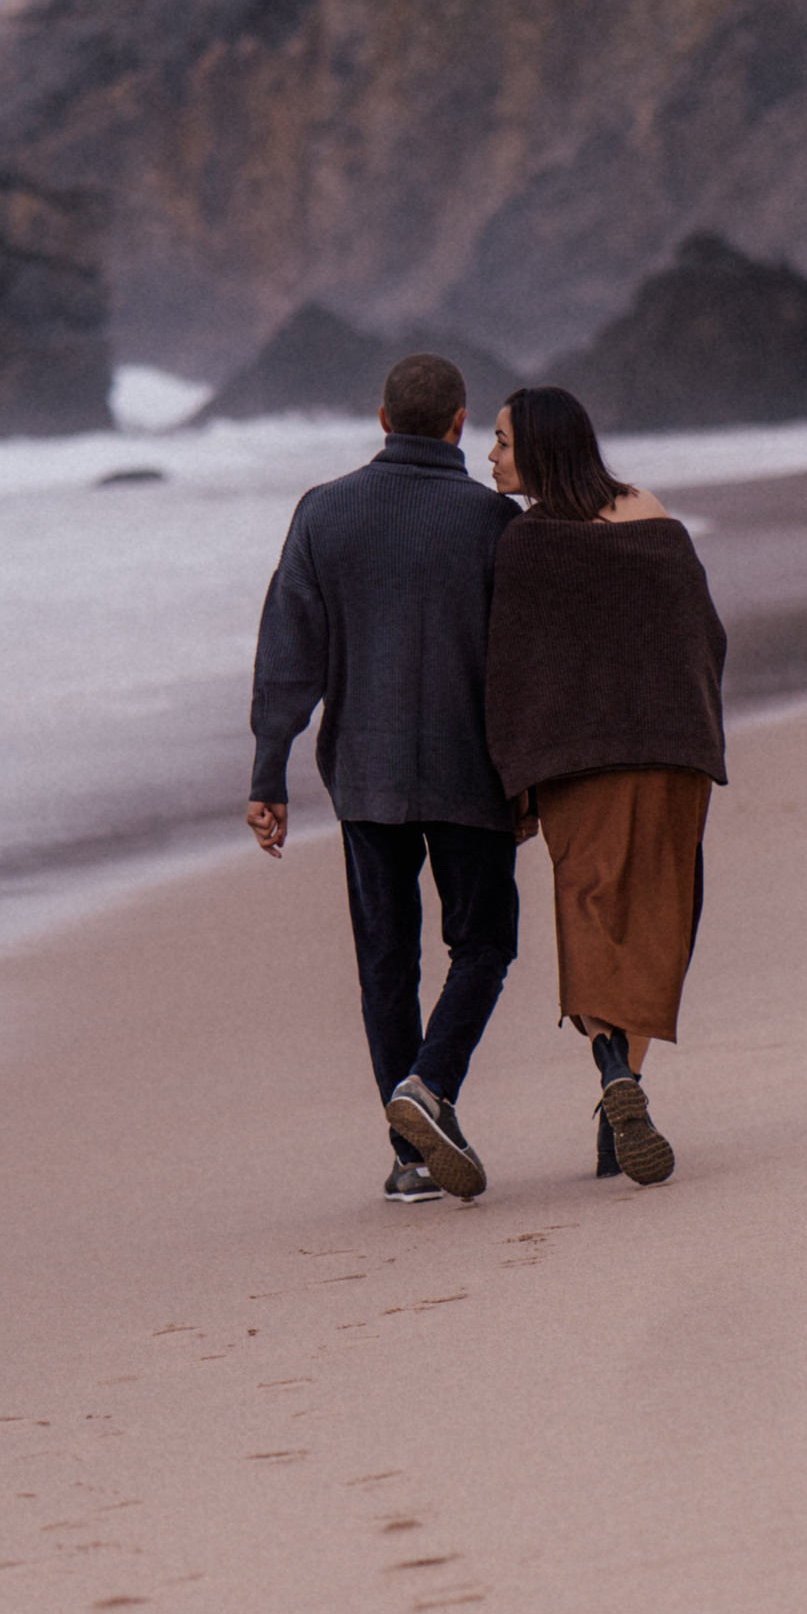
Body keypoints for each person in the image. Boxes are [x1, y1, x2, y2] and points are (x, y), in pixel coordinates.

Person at [247, 351, 522, 1204]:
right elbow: (520, 666)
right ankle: (428, 1089)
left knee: (385, 959)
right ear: (458, 426)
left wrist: (270, 770)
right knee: (484, 943)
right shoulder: (493, 523)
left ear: (380, 418)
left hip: (364, 773)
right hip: (470, 772)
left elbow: (287, 656)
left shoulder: (324, 513)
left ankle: (409, 1157)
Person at [485, 383, 727, 1186]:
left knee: (589, 916)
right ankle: (625, 1093)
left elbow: (509, 669)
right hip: (673, 750)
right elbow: (706, 636)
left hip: (579, 759)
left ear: (542, 450)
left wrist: (512, 778)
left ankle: (611, 1072)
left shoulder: (528, 541)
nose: (490, 456)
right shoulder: (655, 517)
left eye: (503, 442)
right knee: (658, 918)